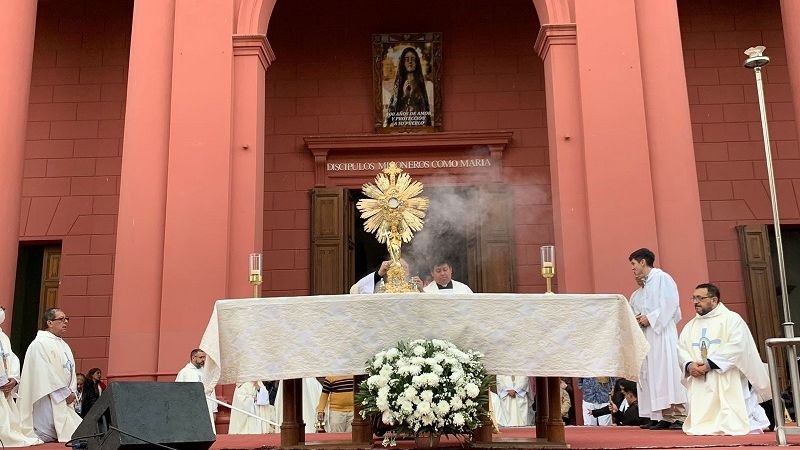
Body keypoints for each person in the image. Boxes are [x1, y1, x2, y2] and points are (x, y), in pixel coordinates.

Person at [678, 283, 771, 435]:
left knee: (732, 417)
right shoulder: (690, 325)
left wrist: (709, 364)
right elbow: (681, 348)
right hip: (699, 377)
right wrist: (689, 365)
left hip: (726, 374)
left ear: (714, 300)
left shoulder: (732, 319)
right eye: (693, 298)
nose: (695, 302)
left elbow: (738, 346)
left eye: (700, 298)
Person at [628, 248, 687, 430]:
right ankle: (663, 415)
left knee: (667, 372)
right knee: (654, 375)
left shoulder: (662, 278)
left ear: (643, 262)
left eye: (633, 264)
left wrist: (651, 318)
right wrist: (639, 318)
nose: (632, 268)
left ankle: (680, 415)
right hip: (649, 335)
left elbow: (671, 305)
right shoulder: (645, 286)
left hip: (662, 334)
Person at [18, 308, 82, 442]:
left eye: (66, 319)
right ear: (49, 323)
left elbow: (70, 371)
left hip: (65, 397)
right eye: (61, 319)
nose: (65, 322)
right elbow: (46, 374)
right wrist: (65, 394)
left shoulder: (64, 345)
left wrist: (72, 392)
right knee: (47, 435)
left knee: (80, 432)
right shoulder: (40, 344)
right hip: (47, 397)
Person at [0, 306, 43, 446]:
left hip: (5, 385)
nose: (2, 311)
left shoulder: (3, 337)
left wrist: (13, 378)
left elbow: (11, 358)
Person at [386, 47, 431, 127]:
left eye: (413, 59)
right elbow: (393, 106)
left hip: (417, 123)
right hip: (401, 123)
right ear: (403, 63)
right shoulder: (399, 84)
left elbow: (424, 106)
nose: (410, 62)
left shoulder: (420, 84)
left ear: (416, 62)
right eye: (407, 59)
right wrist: (404, 95)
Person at [176, 349, 217, 432]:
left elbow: (211, 391)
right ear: (193, 358)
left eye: (204, 357)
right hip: (191, 410)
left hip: (207, 407)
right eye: (201, 357)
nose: (203, 360)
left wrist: (214, 410)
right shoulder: (184, 372)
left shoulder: (207, 373)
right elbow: (178, 392)